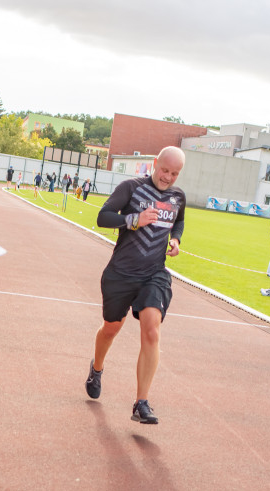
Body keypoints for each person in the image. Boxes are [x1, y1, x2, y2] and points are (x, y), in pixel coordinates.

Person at [84, 146, 186, 425]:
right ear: (155, 164)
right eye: (164, 170)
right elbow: (103, 217)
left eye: (174, 173)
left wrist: (176, 240)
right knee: (112, 327)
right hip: (121, 272)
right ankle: (96, 368)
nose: (168, 177)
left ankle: (141, 402)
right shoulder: (131, 187)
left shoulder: (178, 197)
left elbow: (179, 222)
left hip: (154, 273)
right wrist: (134, 221)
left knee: (152, 329)